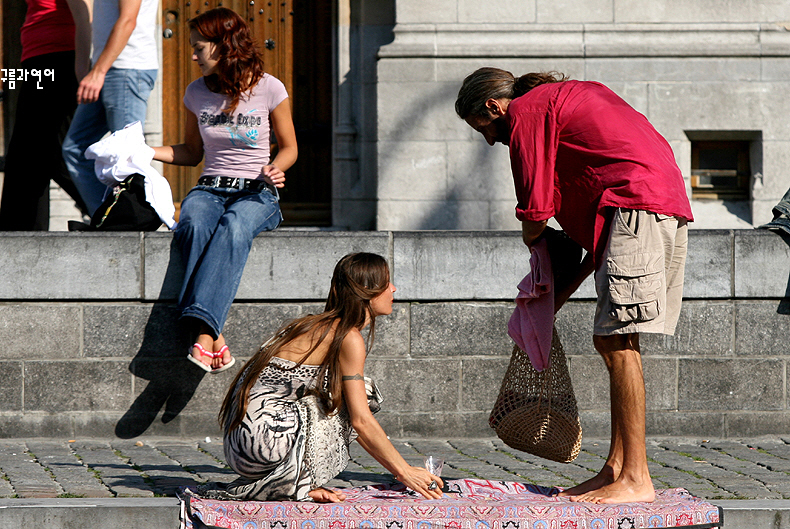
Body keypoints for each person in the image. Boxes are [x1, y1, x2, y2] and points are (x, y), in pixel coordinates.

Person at [456, 68, 693, 504]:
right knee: (614, 341)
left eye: (485, 129)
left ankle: (637, 478)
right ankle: (616, 469)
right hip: (641, 208)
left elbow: (534, 208)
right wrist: (552, 297)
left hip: (635, 206)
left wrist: (536, 241)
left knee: (617, 343)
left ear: (493, 106)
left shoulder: (527, 110)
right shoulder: (564, 100)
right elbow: (592, 227)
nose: (491, 140)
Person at [207, 252, 443, 503]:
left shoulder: (312, 324)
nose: (394, 289)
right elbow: (360, 420)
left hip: (240, 446)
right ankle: (292, 486)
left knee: (344, 393)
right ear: (368, 291)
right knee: (361, 394)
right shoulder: (348, 337)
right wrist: (404, 472)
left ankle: (291, 483)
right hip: (263, 444)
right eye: (387, 283)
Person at [151, 8, 297, 374]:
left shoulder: (270, 87)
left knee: (234, 226)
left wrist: (276, 168)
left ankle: (201, 333)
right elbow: (190, 153)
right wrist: (144, 151)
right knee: (194, 223)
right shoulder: (195, 93)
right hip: (209, 188)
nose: (194, 55)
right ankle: (213, 336)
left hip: (257, 193)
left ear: (224, 46)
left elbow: (290, 147)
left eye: (199, 48)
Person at [0, 0, 90, 230]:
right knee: (28, 158)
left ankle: (114, 210)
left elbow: (85, 13)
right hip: (38, 60)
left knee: (52, 153)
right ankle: (19, 240)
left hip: (60, 58)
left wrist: (83, 70)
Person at [61, 0, 158, 215]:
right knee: (76, 150)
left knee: (126, 158)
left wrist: (98, 71)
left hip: (126, 69)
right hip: (108, 68)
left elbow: (127, 21)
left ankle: (134, 225)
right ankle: (109, 218)